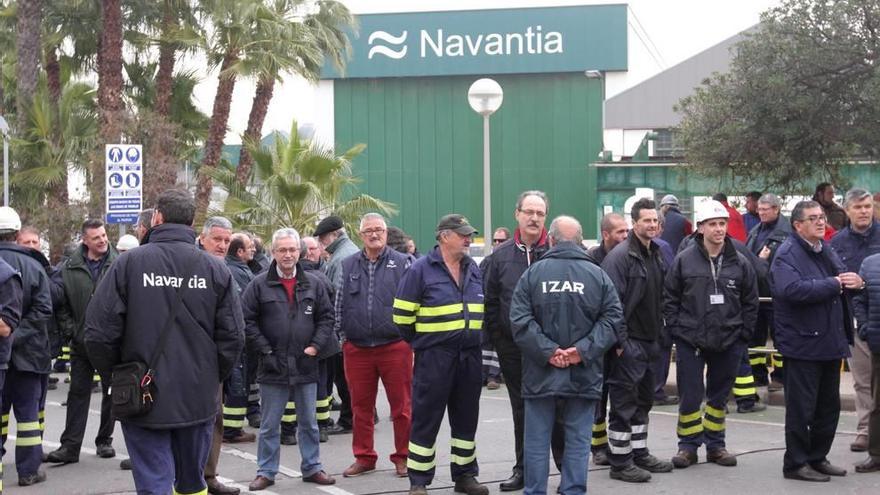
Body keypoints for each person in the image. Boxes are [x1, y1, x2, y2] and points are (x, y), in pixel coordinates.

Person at [84, 189, 245, 494]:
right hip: (197, 397)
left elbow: (98, 332)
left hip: (142, 395)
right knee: (192, 483)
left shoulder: (128, 265)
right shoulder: (215, 270)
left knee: (154, 483)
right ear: (193, 222)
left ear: (157, 217)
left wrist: (117, 377)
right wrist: (210, 375)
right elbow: (234, 337)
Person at [509, 215, 621, 495]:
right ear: (580, 241)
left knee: (535, 441)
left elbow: (519, 320)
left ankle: (535, 490)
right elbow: (612, 319)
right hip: (583, 372)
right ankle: (573, 490)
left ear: (552, 239)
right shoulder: (598, 275)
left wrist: (548, 352)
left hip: (540, 372)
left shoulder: (533, 274)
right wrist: (580, 352)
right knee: (577, 440)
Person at [393, 214, 489, 495]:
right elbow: (401, 317)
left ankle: (465, 476)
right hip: (435, 356)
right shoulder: (420, 270)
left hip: (469, 356)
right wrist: (425, 342)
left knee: (466, 417)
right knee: (426, 418)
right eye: (463, 234)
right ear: (445, 236)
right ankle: (419, 480)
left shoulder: (473, 268)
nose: (468, 239)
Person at [664, 200, 759, 468]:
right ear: (700, 228)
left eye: (722, 224)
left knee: (718, 397)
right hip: (690, 340)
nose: (719, 229)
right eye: (713, 224)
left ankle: (716, 445)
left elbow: (751, 302)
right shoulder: (684, 260)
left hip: (729, 340)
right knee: (691, 396)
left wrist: (742, 336)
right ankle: (688, 447)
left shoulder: (739, 262)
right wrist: (678, 331)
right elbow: (669, 298)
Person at [771, 200, 860, 482]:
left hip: (830, 341)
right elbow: (792, 290)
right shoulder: (787, 254)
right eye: (813, 218)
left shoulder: (825, 249)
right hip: (803, 344)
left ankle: (817, 457)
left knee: (828, 407)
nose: (821, 222)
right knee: (801, 409)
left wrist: (857, 282)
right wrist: (835, 283)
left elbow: (843, 279)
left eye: (822, 217)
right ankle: (796, 463)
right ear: (798, 225)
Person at [242, 228, 337, 490]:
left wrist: (316, 347)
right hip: (272, 364)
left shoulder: (314, 283)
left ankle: (312, 467)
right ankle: (266, 471)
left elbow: (327, 318)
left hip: (306, 363)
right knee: (270, 425)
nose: (287, 254)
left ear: (299, 252)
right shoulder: (258, 284)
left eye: (292, 249)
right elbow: (246, 320)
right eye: (282, 250)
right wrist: (265, 349)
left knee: (309, 423)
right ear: (273, 252)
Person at [482, 191, 552, 491]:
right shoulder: (499, 257)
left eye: (540, 213)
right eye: (529, 212)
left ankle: (567, 471)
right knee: (521, 411)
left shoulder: (557, 252)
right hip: (514, 351)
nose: (534, 218)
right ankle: (523, 468)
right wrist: (500, 341)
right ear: (517, 214)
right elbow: (490, 304)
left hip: (554, 351)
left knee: (559, 412)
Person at [601, 198, 674, 483]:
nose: (653, 225)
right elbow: (611, 304)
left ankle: (639, 452)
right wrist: (621, 343)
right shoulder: (620, 257)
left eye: (655, 221)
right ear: (634, 223)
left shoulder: (656, 253)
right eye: (647, 221)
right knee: (623, 403)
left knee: (643, 401)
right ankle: (620, 462)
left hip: (651, 342)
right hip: (629, 345)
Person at [337, 213, 413, 478]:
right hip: (357, 349)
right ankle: (364, 457)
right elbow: (339, 304)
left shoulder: (403, 263)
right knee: (360, 407)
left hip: (395, 346)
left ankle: (403, 457)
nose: (374, 234)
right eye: (368, 230)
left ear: (386, 233)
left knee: (402, 407)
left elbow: (415, 301)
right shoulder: (347, 265)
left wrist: (410, 339)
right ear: (360, 235)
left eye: (379, 230)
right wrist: (343, 339)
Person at [46, 219, 120, 465]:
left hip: (110, 343)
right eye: (96, 237)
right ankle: (70, 447)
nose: (102, 239)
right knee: (78, 393)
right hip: (81, 343)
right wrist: (71, 331)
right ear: (85, 241)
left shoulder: (119, 263)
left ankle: (104, 441)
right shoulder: (70, 267)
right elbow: (63, 306)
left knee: (111, 393)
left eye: (103, 235)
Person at [0, 206, 53, 486]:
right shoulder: (35, 266)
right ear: (18, 234)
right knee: (29, 418)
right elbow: (44, 311)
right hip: (29, 357)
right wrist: (17, 335)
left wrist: (7, 335)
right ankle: (28, 471)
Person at [829, 188, 880, 453]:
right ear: (847, 211)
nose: (864, 212)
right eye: (858, 207)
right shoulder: (837, 242)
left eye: (867, 206)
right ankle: (865, 430)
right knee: (861, 380)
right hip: (854, 322)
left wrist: (865, 282)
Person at [197, 216, 241, 495]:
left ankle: (208, 476)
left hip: (214, 362)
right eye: (218, 239)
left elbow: (233, 326)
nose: (223, 245)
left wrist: (222, 364)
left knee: (214, 419)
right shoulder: (191, 265)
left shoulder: (226, 270)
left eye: (227, 240)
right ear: (202, 238)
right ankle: (185, 476)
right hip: (189, 359)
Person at [585, 212, 628, 464]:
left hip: (621, 339)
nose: (625, 236)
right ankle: (598, 447)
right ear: (605, 234)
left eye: (626, 231)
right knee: (597, 397)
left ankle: (620, 445)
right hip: (597, 341)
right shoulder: (592, 260)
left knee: (622, 396)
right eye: (620, 232)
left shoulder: (629, 257)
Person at [745, 193, 791, 393]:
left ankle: (780, 376)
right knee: (755, 338)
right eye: (760, 209)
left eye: (765, 209)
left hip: (776, 293)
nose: (761, 213)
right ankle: (758, 374)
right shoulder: (756, 230)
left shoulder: (786, 232)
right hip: (756, 293)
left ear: (776, 209)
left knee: (780, 337)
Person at [314, 215, 356, 434]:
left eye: (323, 239)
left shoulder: (341, 258)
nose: (321, 243)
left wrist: (336, 331)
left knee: (344, 376)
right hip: (349, 327)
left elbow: (338, 297)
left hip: (343, 329)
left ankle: (349, 419)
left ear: (334, 235)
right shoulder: (346, 252)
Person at [222, 232, 257, 444]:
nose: (253, 249)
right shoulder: (238, 271)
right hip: (238, 337)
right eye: (249, 246)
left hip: (236, 335)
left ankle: (232, 428)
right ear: (239, 251)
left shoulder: (235, 268)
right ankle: (232, 431)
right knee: (237, 383)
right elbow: (247, 304)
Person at [853, 237, 880, 473]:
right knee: (877, 404)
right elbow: (859, 300)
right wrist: (865, 329)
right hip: (878, 343)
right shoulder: (870, 264)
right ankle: (877, 454)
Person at [481, 227, 510, 390]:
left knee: (499, 344)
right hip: (486, 309)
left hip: (503, 311)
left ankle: (494, 376)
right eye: (496, 240)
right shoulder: (487, 261)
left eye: (502, 240)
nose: (498, 243)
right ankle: (483, 375)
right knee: (485, 344)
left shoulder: (508, 260)